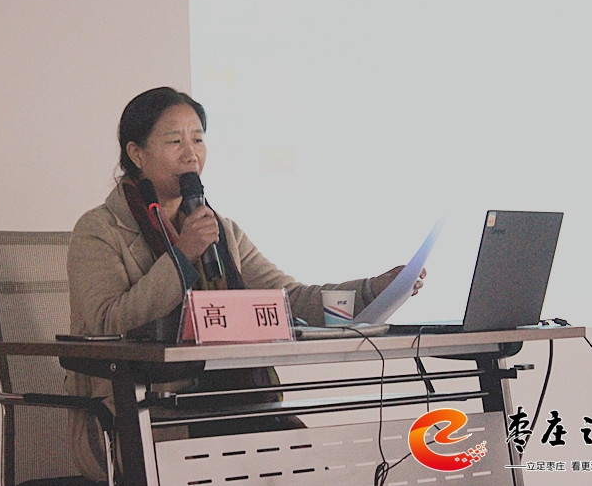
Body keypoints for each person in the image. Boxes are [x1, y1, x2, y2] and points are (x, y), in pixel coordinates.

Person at [64, 86, 426, 481]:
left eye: (198, 139)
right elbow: (107, 323)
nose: (191, 154)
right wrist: (181, 257)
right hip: (141, 416)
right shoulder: (99, 230)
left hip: (232, 403)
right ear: (136, 153)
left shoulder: (220, 230)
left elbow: (290, 299)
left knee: (310, 468)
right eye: (174, 141)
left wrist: (373, 289)